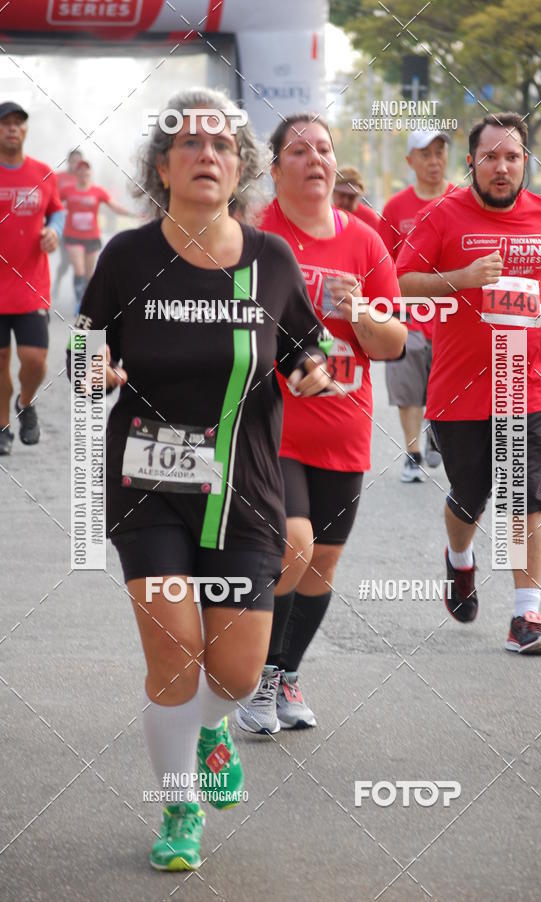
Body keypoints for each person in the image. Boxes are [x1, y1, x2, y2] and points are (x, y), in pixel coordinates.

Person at [69, 88, 332, 870]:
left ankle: (217, 726)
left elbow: (304, 348)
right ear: (163, 165)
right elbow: (87, 343)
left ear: (241, 167)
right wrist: (97, 373)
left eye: (222, 146)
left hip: (245, 490)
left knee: (236, 672)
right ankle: (179, 809)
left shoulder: (270, 260)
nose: (206, 156)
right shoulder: (127, 258)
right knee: (174, 657)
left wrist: (316, 373)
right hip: (147, 486)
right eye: (190, 144)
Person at [237, 113, 407, 734]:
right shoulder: (253, 236)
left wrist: (359, 313)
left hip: (343, 428)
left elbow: (393, 344)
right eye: (300, 150)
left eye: (326, 150)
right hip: (270, 425)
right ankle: (252, 678)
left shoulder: (364, 241)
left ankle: (283, 674)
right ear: (274, 166)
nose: (316, 160)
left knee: (323, 561)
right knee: (293, 543)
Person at [396, 112, 541, 654]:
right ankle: (460, 560)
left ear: (525, 161)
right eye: (490, 157)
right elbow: (403, 281)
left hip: (528, 381)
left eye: (511, 157)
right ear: (472, 163)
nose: (501, 168)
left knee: (523, 495)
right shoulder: (443, 215)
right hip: (459, 388)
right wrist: (459, 279)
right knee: (472, 495)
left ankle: (525, 616)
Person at [379, 130, 453, 482]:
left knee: (446, 385)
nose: (434, 160)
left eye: (440, 152)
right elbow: (381, 261)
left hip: (453, 316)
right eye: (425, 154)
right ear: (410, 161)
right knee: (408, 387)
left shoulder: (460, 200)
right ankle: (412, 453)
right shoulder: (396, 208)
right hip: (407, 315)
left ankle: (437, 433)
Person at [0, 100, 64, 455]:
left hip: (29, 286)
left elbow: (57, 211)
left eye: (18, 123)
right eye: (5, 122)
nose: (12, 128)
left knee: (35, 359)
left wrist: (54, 230)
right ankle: (2, 427)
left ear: (25, 130)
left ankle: (26, 403)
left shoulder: (43, 173)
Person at [62, 159, 137, 312]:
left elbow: (114, 206)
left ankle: (86, 299)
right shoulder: (67, 190)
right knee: (79, 269)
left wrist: (132, 214)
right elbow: (53, 203)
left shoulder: (98, 191)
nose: (83, 174)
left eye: (86, 171)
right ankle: (79, 302)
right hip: (72, 235)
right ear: (76, 174)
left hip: (91, 236)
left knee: (89, 275)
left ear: (90, 174)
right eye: (80, 171)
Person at [53, 148, 83, 296]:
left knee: (80, 262)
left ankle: (80, 295)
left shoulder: (83, 179)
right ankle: (58, 281)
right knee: (67, 261)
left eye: (79, 162)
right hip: (62, 225)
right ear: (68, 162)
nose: (76, 164)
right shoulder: (58, 177)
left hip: (79, 228)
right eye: (73, 161)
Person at [332, 165, 380, 230]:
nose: (346, 201)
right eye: (342, 195)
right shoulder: (323, 217)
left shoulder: (370, 219)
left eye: (351, 196)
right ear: (333, 193)